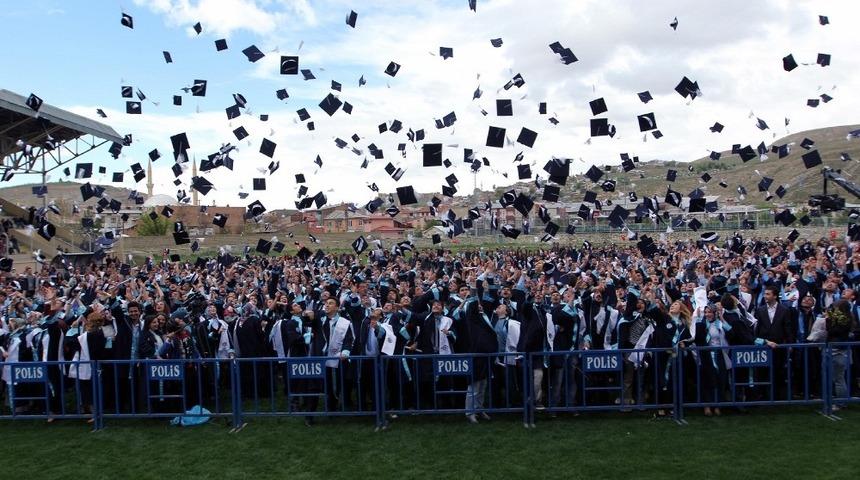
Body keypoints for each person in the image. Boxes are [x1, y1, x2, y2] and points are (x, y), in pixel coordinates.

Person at [825, 300, 854, 411]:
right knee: (837, 378)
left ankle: (841, 403)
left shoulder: (844, 320)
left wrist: (828, 318)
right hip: (836, 350)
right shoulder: (845, 318)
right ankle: (839, 400)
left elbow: (831, 331)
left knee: (839, 378)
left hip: (838, 351)